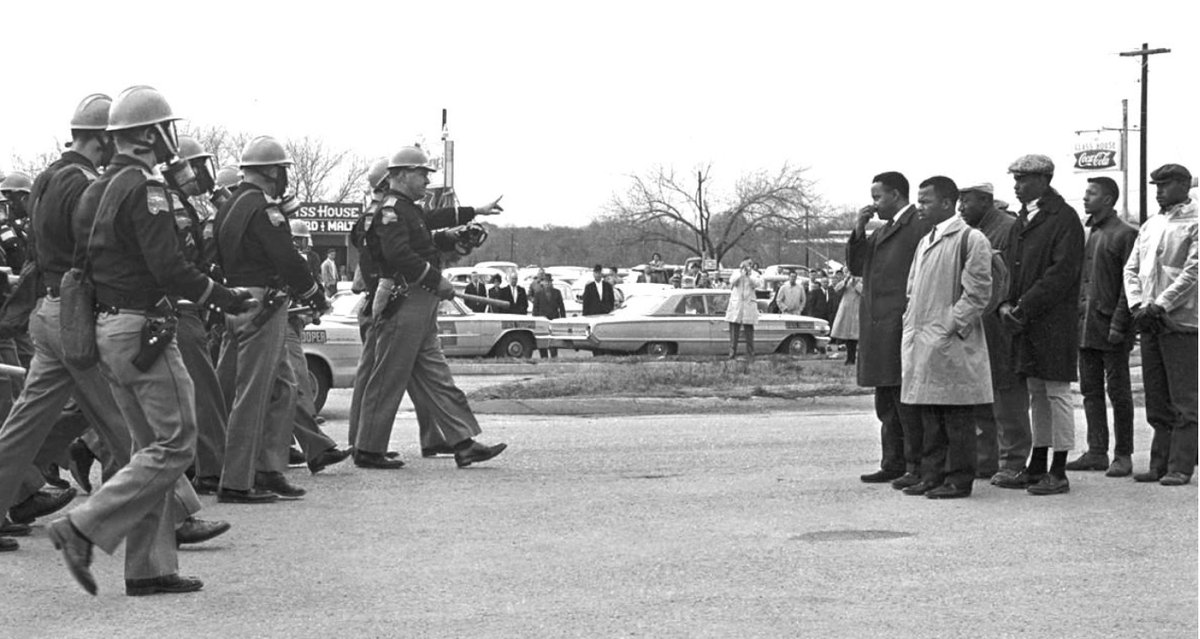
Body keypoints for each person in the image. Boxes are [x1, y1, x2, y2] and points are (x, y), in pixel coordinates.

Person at [48, 85, 253, 596]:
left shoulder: (96, 186)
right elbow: (170, 268)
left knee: (147, 448)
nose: (172, 139)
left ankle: (149, 568)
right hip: (144, 329)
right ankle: (82, 526)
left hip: (109, 328)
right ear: (147, 134)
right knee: (174, 445)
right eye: (167, 129)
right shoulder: (146, 188)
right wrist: (228, 299)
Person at [353, 146, 506, 470]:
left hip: (420, 302)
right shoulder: (390, 209)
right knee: (388, 377)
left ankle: (463, 443)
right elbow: (398, 255)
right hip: (405, 299)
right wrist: (435, 279)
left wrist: (475, 211)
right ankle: (367, 448)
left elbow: (432, 220)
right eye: (422, 174)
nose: (426, 180)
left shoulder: (408, 208)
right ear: (401, 175)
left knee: (437, 376)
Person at [213, 135, 328, 503]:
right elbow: (287, 258)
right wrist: (314, 293)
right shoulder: (265, 209)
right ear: (271, 172)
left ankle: (268, 468)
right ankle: (236, 480)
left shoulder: (229, 207)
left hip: (236, 300)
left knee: (282, 388)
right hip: (263, 304)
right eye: (281, 171)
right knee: (253, 393)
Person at [993, 154, 1085, 496]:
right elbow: (1013, 270)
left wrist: (1023, 305)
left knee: (1057, 392)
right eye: (1015, 179)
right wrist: (1004, 304)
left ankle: (1058, 469)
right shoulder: (1022, 220)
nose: (1016, 185)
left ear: (1044, 179)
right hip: (1025, 320)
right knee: (1036, 393)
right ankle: (1037, 462)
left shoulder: (1064, 218)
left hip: (1053, 321)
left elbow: (1062, 273)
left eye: (1023, 179)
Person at [899, 176, 993, 499]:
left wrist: (949, 325)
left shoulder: (970, 238)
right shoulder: (926, 241)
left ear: (946, 202)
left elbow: (978, 292)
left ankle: (959, 479)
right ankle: (932, 474)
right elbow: (913, 289)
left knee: (956, 414)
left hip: (949, 341)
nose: (919, 207)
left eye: (925, 201)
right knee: (930, 414)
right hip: (923, 340)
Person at [847, 171, 932, 486]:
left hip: (901, 324)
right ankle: (893, 461)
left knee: (906, 400)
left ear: (895, 195)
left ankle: (916, 464)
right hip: (878, 326)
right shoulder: (884, 230)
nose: (874, 204)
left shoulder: (918, 226)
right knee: (886, 400)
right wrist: (858, 230)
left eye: (877, 197)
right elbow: (858, 266)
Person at [1124, 163, 1197, 486]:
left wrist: (1160, 304)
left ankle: (1181, 465)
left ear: (1184, 185)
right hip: (1149, 320)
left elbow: (1192, 273)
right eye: (1156, 185)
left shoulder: (1195, 222)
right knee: (1156, 396)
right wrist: (1138, 304)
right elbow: (1132, 268)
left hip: (1180, 321)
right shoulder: (1151, 224)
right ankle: (1159, 462)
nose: (1159, 191)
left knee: (1183, 397)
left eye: (1165, 185)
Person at [1066, 176, 1138, 477]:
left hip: (1112, 326)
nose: (1085, 197)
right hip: (1087, 326)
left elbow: (1130, 284)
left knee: (1119, 391)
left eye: (1092, 193)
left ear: (1108, 199)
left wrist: (1121, 324)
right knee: (1090, 390)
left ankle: (1123, 454)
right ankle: (1096, 451)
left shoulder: (1125, 234)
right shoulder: (1089, 232)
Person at [959, 182, 1029, 484]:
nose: (961, 208)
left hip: (1002, 325)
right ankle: (986, 458)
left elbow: (1014, 277)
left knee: (1006, 393)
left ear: (986, 201)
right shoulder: (973, 232)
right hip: (979, 324)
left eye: (967, 202)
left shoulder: (1008, 229)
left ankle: (1012, 459)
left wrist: (1005, 307)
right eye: (959, 202)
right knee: (982, 393)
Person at [725, 257, 761, 359]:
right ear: (742, 263)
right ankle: (732, 353)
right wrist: (741, 273)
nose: (749, 265)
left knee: (749, 332)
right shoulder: (736, 272)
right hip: (737, 306)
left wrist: (749, 275)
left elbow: (757, 284)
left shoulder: (754, 274)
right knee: (734, 331)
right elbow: (732, 281)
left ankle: (750, 353)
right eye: (747, 263)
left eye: (750, 263)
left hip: (749, 305)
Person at [830, 271, 862, 365]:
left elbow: (864, 291)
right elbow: (837, 289)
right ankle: (849, 358)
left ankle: (853, 358)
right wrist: (845, 280)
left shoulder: (861, 280)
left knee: (854, 336)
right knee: (847, 335)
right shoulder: (846, 280)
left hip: (856, 309)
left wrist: (856, 284)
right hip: (846, 310)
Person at [532, 273, 565, 358]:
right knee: (542, 341)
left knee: (553, 342)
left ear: (551, 282)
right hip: (542, 321)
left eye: (549, 282)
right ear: (543, 282)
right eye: (546, 281)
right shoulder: (538, 293)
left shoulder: (557, 292)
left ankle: (554, 357)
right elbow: (535, 308)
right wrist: (535, 321)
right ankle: (544, 357)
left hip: (554, 320)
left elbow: (561, 307)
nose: (547, 283)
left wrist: (563, 320)